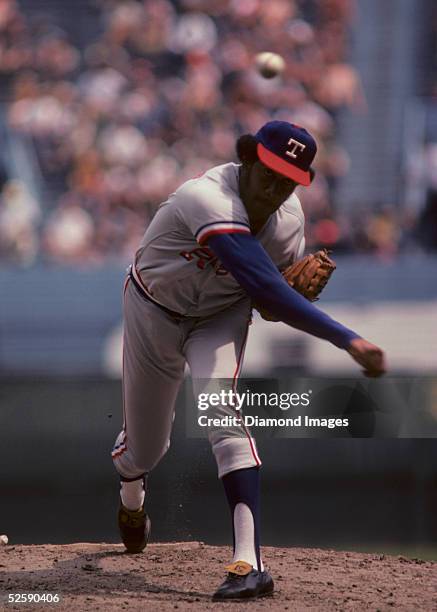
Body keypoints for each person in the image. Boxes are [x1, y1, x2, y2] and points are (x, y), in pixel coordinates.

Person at [111, 120, 386, 600]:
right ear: (249, 159)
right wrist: (346, 339)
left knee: (221, 412)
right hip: (152, 308)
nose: (277, 189)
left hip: (218, 315)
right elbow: (265, 287)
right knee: (146, 450)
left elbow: (263, 302)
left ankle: (248, 563)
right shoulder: (206, 196)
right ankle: (132, 493)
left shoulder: (289, 224)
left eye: (290, 181)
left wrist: (279, 300)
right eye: (271, 174)